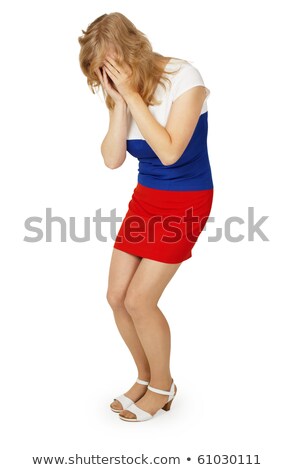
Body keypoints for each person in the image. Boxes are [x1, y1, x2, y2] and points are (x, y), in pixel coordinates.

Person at [78, 12, 214, 422]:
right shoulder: (120, 91)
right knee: (117, 296)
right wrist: (119, 103)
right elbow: (113, 159)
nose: (108, 75)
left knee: (140, 299)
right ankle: (144, 376)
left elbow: (171, 152)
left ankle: (163, 385)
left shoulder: (183, 77)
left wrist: (134, 97)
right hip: (147, 200)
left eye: (111, 65)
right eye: (100, 70)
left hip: (187, 200)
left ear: (131, 48)